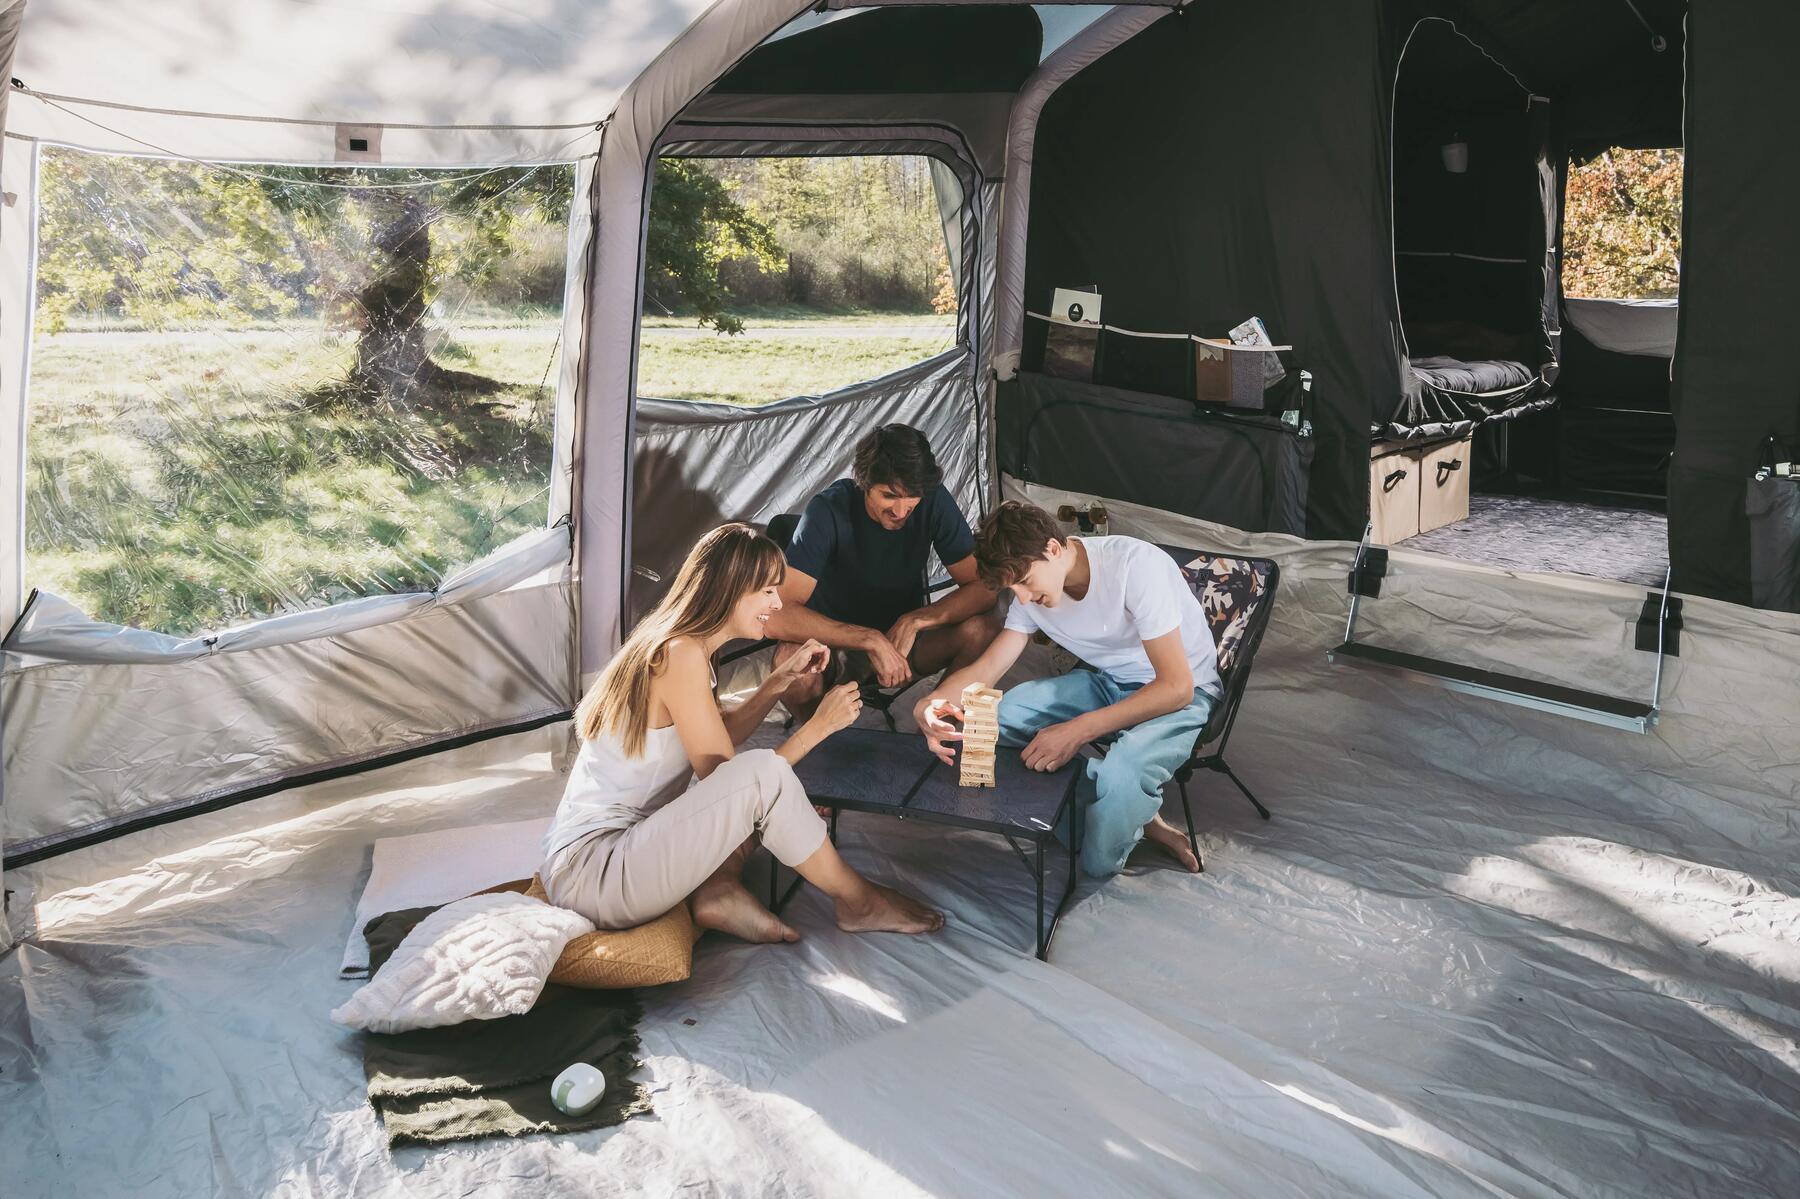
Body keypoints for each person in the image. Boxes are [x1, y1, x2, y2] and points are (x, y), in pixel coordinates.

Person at [541, 523, 943, 943]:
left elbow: (717, 744)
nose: (777, 602)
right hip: (596, 873)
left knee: (759, 781)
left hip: (609, 857)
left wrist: (775, 684)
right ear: (731, 589)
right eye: (767, 590)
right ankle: (859, 902)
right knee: (763, 776)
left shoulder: (686, 647)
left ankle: (718, 890)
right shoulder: (679, 655)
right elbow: (736, 786)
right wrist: (819, 726)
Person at [910, 501, 1223, 877]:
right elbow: (988, 668)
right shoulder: (1031, 590)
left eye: (1025, 583)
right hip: (1108, 683)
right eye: (1014, 589)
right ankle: (1128, 813)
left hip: (1180, 693)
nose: (1022, 599)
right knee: (985, 723)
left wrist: (1076, 730)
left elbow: (1177, 687)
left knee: (1097, 859)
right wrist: (929, 702)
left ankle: (1120, 805)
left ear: (1053, 549)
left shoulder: (1135, 566)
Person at [765, 424, 999, 712]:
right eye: (889, 495)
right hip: (831, 648)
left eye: (911, 497)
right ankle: (818, 743)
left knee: (984, 629)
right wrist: (868, 639)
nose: (901, 511)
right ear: (864, 483)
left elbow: (985, 588)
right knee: (789, 660)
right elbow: (774, 616)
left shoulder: (933, 498)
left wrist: (915, 620)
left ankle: (937, 723)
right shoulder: (827, 510)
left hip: (903, 644)